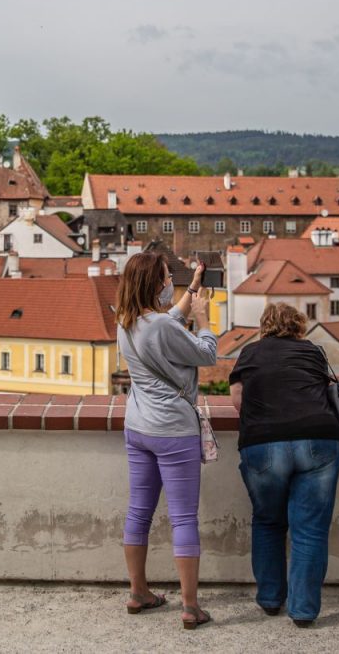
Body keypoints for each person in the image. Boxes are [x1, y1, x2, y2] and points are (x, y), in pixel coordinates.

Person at [115, 252, 217, 630]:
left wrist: (192, 289)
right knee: (183, 518)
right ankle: (191, 607)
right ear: (155, 284)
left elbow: (165, 322)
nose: (168, 283)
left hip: (138, 426)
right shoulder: (161, 326)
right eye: (165, 277)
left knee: (139, 511)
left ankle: (138, 592)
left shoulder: (125, 322)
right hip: (173, 430)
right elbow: (207, 354)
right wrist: (204, 320)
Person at [228, 303, 339, 629]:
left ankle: (269, 599)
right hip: (318, 440)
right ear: (299, 326)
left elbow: (238, 400)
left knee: (267, 522)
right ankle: (304, 610)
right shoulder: (313, 352)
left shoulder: (249, 353)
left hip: (264, 444)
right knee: (310, 530)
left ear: (264, 326)